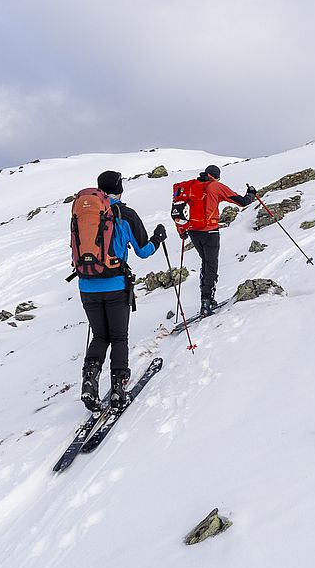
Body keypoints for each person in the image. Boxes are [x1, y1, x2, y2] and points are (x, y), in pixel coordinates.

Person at [77, 170, 166, 411]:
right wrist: (158, 238)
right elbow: (143, 251)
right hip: (116, 285)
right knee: (118, 338)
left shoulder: (84, 213)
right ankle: (118, 390)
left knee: (99, 336)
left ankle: (89, 381)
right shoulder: (125, 214)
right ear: (120, 189)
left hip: (87, 285)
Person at [179, 164, 257, 317]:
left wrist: (182, 231)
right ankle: (206, 302)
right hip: (210, 231)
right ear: (217, 176)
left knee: (205, 263)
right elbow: (242, 202)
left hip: (193, 231)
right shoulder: (216, 186)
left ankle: (207, 298)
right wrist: (251, 194)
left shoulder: (192, 186)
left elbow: (180, 209)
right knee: (211, 266)